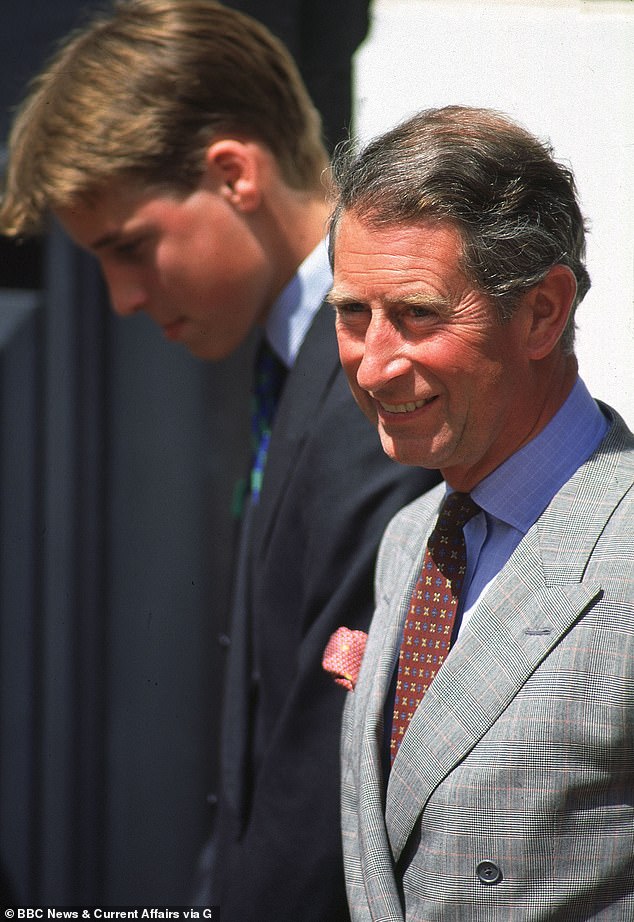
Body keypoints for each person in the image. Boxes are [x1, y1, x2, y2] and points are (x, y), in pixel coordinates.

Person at [0, 3, 440, 919]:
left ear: (234, 172)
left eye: (130, 249)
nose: (121, 299)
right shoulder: (292, 363)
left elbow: (338, 767)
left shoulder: (379, 378)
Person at [325, 105, 634, 920]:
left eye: (419, 314)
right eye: (352, 314)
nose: (375, 364)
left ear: (542, 312)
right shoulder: (409, 540)